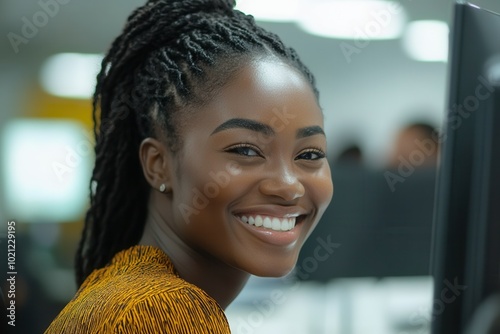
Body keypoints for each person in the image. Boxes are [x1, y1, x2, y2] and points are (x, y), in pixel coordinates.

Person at [44, 0, 333, 333]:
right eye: (246, 150)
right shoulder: (161, 312)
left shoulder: (126, 294)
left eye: (310, 155)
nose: (288, 185)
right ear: (159, 165)